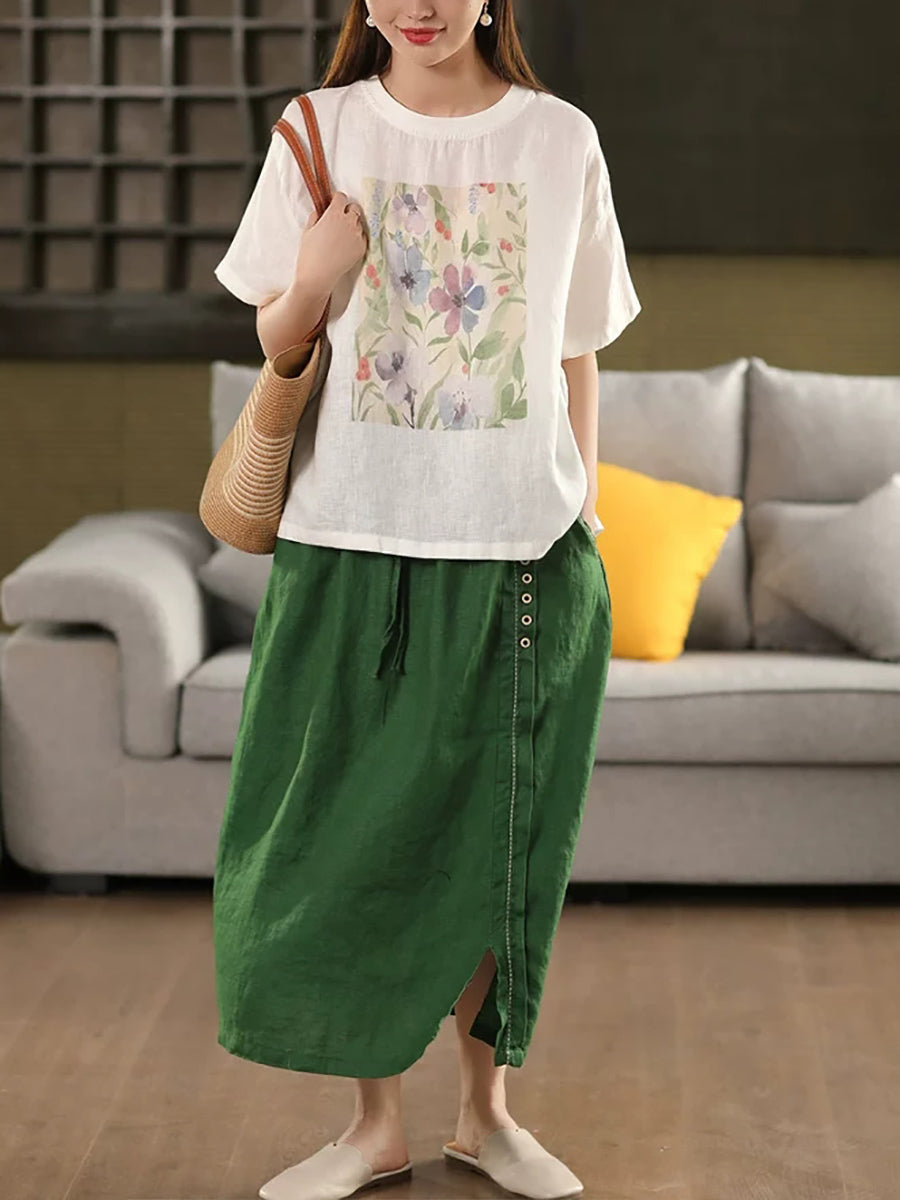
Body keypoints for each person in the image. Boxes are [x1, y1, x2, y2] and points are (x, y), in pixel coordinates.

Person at [210, 2, 641, 1198]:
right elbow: (277, 329)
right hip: (349, 544)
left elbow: (575, 347)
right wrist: (314, 279)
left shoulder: (560, 139)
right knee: (350, 837)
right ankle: (374, 1128)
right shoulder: (319, 127)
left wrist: (582, 508)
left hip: (522, 553)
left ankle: (487, 1119)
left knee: (503, 842)